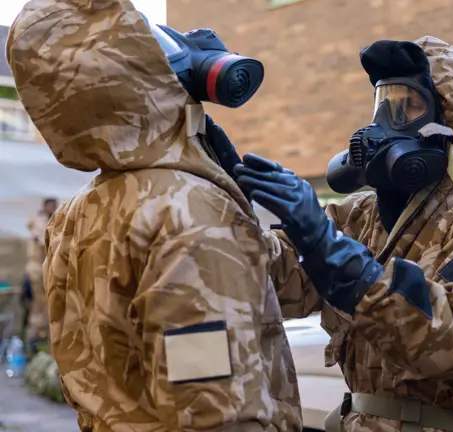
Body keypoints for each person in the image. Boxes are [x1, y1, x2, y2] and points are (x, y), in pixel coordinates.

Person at [235, 37, 453, 431]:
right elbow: (275, 285)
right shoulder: (362, 216)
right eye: (383, 104)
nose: (384, 124)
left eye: (409, 107)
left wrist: (333, 252)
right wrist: (216, 188)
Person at [6, 1, 299, 430]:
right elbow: (217, 415)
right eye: (149, 41)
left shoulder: (76, 214)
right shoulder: (190, 212)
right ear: (129, 72)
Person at [24, 197, 57, 352]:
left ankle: (41, 343)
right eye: (52, 206)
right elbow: (45, 241)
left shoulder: (43, 220)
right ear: (46, 206)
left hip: (42, 268)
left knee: (44, 307)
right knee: (42, 306)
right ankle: (36, 343)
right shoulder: (39, 220)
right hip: (38, 270)